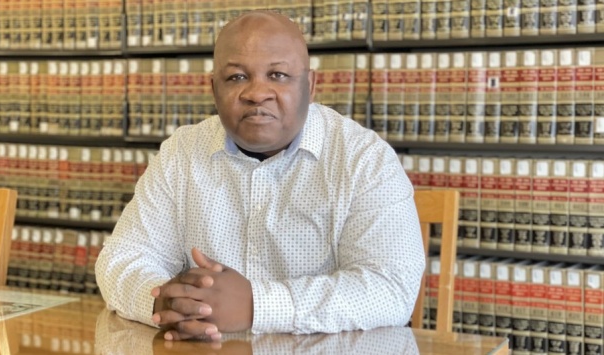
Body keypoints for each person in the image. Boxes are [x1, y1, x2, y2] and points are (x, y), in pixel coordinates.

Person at [95, 10, 424, 342]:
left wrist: (257, 306)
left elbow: (390, 289)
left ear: (309, 86)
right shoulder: (181, 153)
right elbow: (121, 259)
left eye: (278, 75)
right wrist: (164, 300)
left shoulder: (364, 159)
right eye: (237, 77)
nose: (256, 92)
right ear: (213, 88)